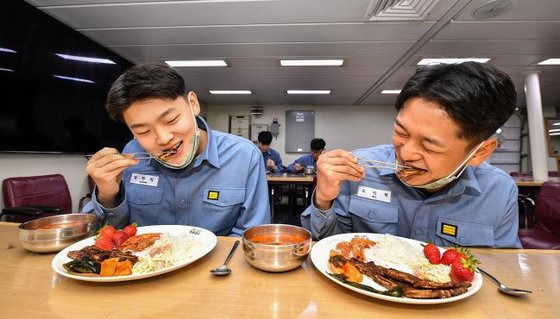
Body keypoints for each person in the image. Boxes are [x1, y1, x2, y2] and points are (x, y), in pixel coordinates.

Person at [301, 62, 522, 248]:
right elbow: (327, 249)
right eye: (401, 132)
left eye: (430, 145)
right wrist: (323, 200)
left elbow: (501, 269)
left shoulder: (499, 192)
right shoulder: (358, 170)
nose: (405, 154)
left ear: (480, 152)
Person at [86, 63, 270, 236]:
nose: (164, 138)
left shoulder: (243, 155)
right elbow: (108, 234)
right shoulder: (132, 154)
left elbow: (252, 236)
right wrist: (108, 194)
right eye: (144, 131)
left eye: (171, 120)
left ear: (193, 104)